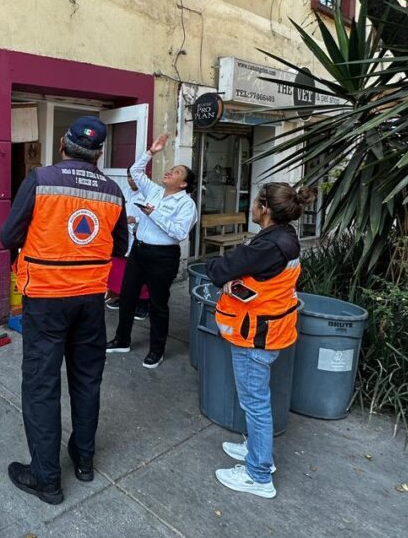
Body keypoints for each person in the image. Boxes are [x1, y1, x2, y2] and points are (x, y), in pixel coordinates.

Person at [0, 115, 129, 505]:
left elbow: (8, 236)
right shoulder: (112, 190)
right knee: (87, 379)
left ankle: (46, 479)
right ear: (99, 154)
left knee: (42, 385)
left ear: (62, 144)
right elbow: (119, 247)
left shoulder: (40, 180)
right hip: (90, 300)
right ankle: (84, 460)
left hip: (46, 300)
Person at [205, 182, 316, 499]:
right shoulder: (285, 237)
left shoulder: (268, 246)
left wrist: (226, 274)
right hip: (271, 328)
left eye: (255, 202)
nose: (251, 206)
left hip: (256, 336)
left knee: (255, 405)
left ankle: (258, 474)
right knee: (255, 401)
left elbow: (220, 268)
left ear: (264, 208)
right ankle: (255, 448)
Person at [106, 135, 197, 369]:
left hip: (163, 258)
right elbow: (136, 172)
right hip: (138, 251)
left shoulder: (186, 205)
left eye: (176, 172)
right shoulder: (154, 191)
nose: (170, 172)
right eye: (170, 169)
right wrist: (151, 151)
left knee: (158, 305)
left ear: (184, 184)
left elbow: (179, 233)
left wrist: (152, 213)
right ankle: (122, 340)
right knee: (127, 297)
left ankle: (157, 350)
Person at [106, 169, 150, 319]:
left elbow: (155, 217)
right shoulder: (124, 192)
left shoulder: (149, 194)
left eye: (135, 177)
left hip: (140, 237)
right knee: (120, 269)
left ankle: (143, 302)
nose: (131, 180)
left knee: (139, 271)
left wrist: (136, 220)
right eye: (129, 177)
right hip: (123, 236)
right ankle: (121, 296)